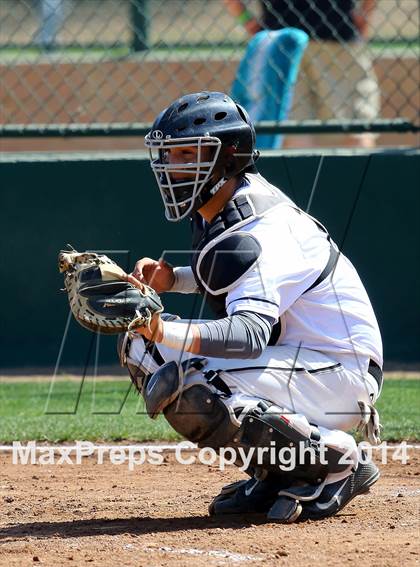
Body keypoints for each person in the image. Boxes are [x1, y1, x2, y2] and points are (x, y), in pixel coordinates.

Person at [119, 91, 383, 523]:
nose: (173, 165)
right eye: (169, 154)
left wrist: (164, 329)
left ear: (228, 156)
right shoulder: (223, 204)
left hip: (340, 374)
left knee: (190, 379)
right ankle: (277, 471)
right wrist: (173, 281)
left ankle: (338, 461)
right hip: (301, 363)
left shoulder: (264, 228)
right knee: (141, 349)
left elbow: (247, 335)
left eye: (188, 153)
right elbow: (242, 281)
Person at [224, 0, 380, 148]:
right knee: (355, 130)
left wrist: (248, 21)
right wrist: (364, 14)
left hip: (283, 36)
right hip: (336, 29)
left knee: (294, 132)